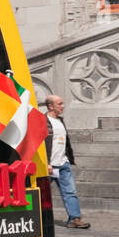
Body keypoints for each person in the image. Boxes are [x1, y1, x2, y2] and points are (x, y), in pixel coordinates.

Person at [44, 95, 88, 229]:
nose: (63, 106)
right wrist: (46, 162)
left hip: (63, 163)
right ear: (51, 106)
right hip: (48, 166)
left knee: (70, 192)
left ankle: (74, 219)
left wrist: (68, 158)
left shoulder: (60, 121)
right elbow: (40, 143)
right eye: (60, 104)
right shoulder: (42, 121)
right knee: (41, 194)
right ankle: (34, 219)